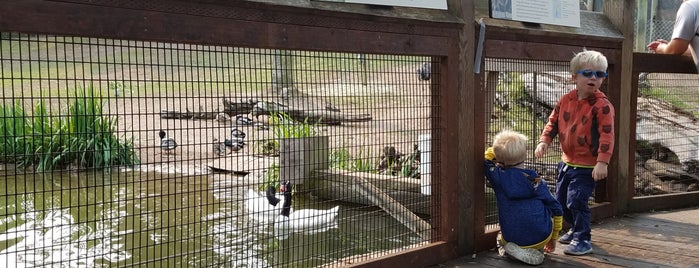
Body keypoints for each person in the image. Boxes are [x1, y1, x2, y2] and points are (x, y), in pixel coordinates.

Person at [534, 49, 615, 256]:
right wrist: (544, 141)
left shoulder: (602, 106)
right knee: (560, 201)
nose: (594, 78)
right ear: (574, 77)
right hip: (567, 162)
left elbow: (607, 135)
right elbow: (553, 122)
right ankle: (574, 229)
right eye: (588, 73)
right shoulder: (566, 100)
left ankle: (583, 238)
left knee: (576, 201)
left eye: (600, 74)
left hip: (587, 166)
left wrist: (602, 162)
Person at [484, 129, 563, 265]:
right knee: (547, 208)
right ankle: (538, 250)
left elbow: (486, 161)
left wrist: (496, 152)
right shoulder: (537, 182)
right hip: (542, 235)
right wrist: (553, 238)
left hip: (513, 236)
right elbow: (557, 209)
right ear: (525, 155)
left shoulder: (497, 177)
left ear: (499, 159)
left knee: (501, 238)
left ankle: (508, 250)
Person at [647, 0, 699, 71]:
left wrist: (662, 48)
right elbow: (687, 48)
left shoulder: (689, 7)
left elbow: (675, 50)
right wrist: (670, 46)